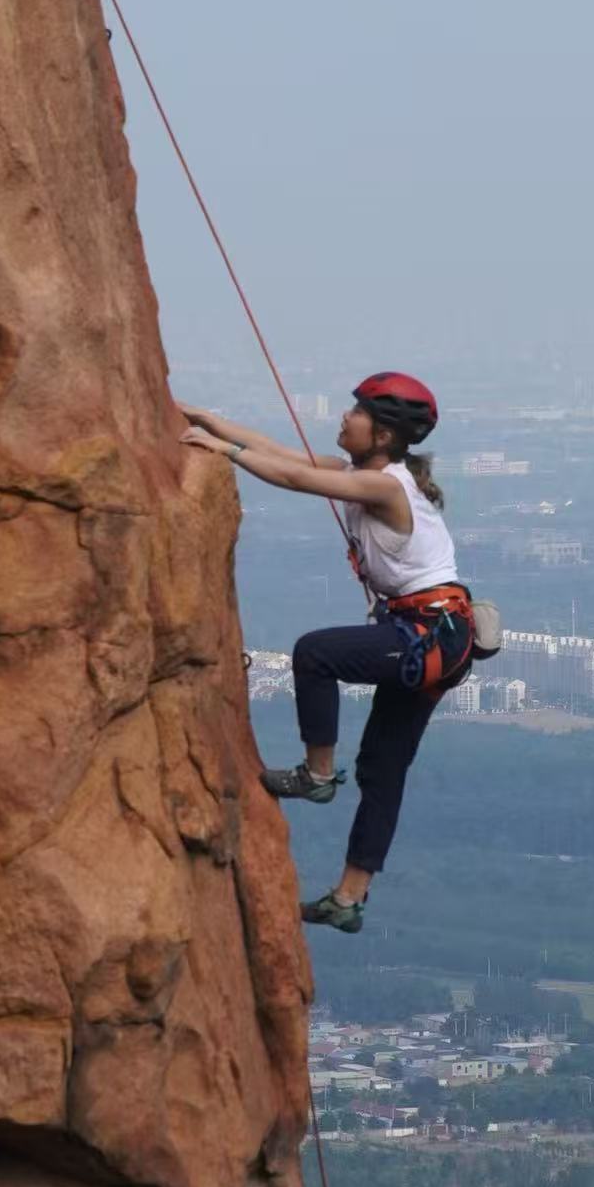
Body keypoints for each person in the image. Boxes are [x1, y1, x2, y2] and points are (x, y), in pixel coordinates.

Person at [179, 373, 472, 933]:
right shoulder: (366, 473)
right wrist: (206, 419)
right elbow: (285, 455)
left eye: (357, 413)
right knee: (381, 771)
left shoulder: (387, 487)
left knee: (316, 653)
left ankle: (316, 774)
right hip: (435, 634)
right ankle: (347, 900)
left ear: (383, 436)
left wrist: (223, 451)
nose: (345, 419)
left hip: (428, 632)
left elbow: (293, 477)